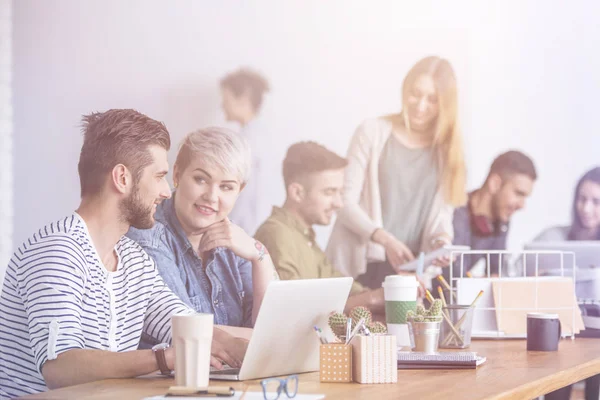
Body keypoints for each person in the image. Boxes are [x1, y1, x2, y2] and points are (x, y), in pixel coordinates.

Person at [0, 110, 246, 398]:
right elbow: (60, 369)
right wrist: (165, 358)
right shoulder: (57, 252)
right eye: (159, 177)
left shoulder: (132, 259)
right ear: (122, 178)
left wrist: (252, 349)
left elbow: (185, 325)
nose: (167, 191)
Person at [326, 56, 466, 290]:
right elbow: (344, 201)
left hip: (409, 271)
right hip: (361, 266)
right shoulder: (371, 132)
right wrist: (385, 239)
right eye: (415, 93)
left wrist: (442, 242)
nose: (420, 105)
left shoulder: (446, 153)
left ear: (445, 105)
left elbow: (442, 217)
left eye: (432, 99)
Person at [127, 127, 277, 336]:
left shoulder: (235, 238)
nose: (212, 196)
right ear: (177, 174)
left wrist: (260, 257)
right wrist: (266, 336)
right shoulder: (148, 234)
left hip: (227, 369)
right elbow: (187, 332)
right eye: (201, 180)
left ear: (239, 190)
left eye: (226, 187)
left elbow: (271, 323)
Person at [254, 142, 385, 313]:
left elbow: (345, 289)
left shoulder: (305, 236)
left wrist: (390, 291)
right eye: (329, 192)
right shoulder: (277, 234)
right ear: (297, 193)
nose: (338, 203)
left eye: (339, 192)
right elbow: (296, 308)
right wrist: (372, 299)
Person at [534, 166, 600, 400]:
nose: (586, 208)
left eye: (596, 201)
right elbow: (522, 271)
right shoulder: (551, 238)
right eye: (582, 199)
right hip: (559, 332)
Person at [450, 150, 537, 278]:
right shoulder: (455, 212)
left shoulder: (501, 220)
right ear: (495, 184)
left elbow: (496, 274)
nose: (522, 206)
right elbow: (452, 277)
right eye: (518, 193)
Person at [220, 67, 272, 235]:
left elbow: (244, 194)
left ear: (243, 98)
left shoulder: (249, 141)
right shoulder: (254, 136)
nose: (222, 105)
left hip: (247, 229)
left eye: (225, 99)